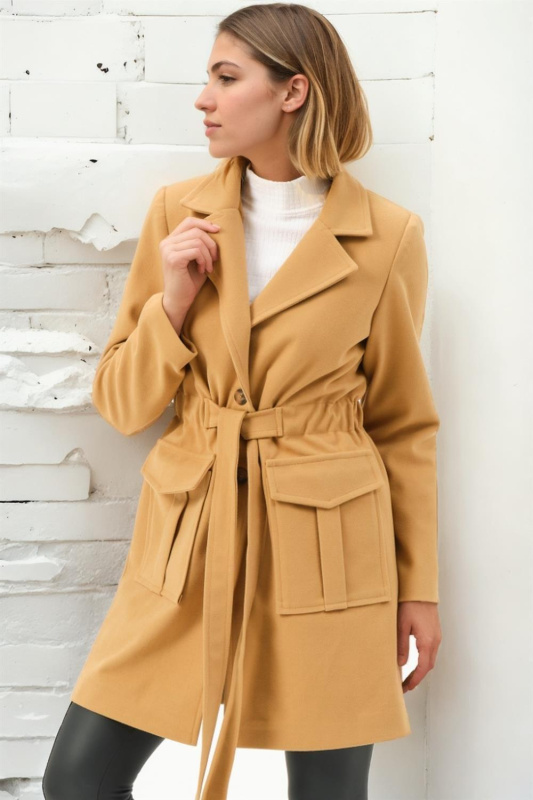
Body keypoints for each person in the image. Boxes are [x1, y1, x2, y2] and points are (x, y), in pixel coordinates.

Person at [42, 3, 442, 799]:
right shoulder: (177, 214)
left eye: (226, 78)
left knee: (328, 792)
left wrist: (417, 587)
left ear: (293, 92)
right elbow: (123, 405)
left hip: (331, 543)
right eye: (209, 78)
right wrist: (173, 303)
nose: (203, 99)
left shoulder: (387, 236)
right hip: (190, 533)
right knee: (78, 780)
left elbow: (402, 425)